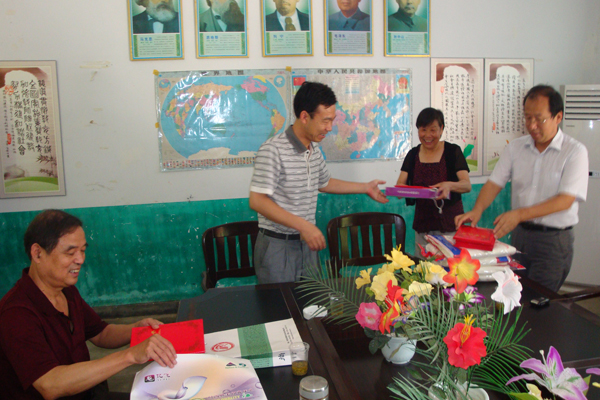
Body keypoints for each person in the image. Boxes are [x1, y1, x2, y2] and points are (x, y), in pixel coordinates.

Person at [0, 210, 177, 400]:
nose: (80, 260)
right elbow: (50, 384)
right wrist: (130, 356)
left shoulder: (66, 291)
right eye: (70, 253)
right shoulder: (16, 313)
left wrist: (136, 329)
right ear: (37, 253)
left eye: (83, 250)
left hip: (87, 393)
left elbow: (100, 333)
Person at [249, 82, 388, 284]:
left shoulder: (313, 150)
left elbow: (324, 182)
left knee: (311, 301)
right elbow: (257, 200)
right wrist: (304, 226)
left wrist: (365, 187)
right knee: (280, 303)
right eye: (325, 121)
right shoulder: (273, 150)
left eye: (332, 120)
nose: (329, 128)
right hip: (278, 246)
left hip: (307, 244)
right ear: (305, 117)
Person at [455, 85, 589, 292]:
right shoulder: (516, 148)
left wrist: (518, 214)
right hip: (520, 237)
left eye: (539, 119)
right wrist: (477, 210)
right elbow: (494, 183)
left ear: (558, 117)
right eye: (527, 118)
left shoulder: (575, 152)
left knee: (539, 299)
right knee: (515, 294)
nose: (532, 125)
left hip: (553, 240)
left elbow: (565, 200)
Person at [396, 108, 471, 255]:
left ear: (441, 129)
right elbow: (400, 186)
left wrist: (449, 185)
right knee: (423, 267)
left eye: (433, 130)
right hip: (423, 227)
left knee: (450, 267)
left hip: (450, 227)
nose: (428, 135)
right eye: (423, 130)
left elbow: (466, 185)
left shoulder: (452, 151)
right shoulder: (412, 155)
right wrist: (403, 191)